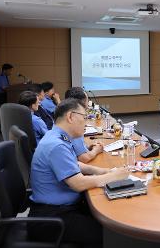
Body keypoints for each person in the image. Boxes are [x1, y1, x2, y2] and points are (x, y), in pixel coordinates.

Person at [28, 98, 128, 247]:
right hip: (52, 218)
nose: (85, 122)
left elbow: (75, 164)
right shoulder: (56, 145)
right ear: (70, 117)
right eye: (84, 117)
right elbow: (78, 183)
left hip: (58, 209)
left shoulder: (56, 136)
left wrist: (104, 171)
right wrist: (112, 177)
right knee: (111, 236)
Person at [64, 87, 104, 163]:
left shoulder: (64, 115)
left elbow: (73, 148)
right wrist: (96, 150)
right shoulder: (75, 121)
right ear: (81, 104)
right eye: (87, 100)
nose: (88, 104)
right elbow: (84, 158)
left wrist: (88, 147)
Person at [0, 63, 13, 133]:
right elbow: (4, 88)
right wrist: (11, 87)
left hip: (5, 96)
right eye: (9, 70)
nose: (10, 72)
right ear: (5, 70)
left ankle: (3, 128)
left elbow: (7, 87)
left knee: (4, 113)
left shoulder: (5, 77)